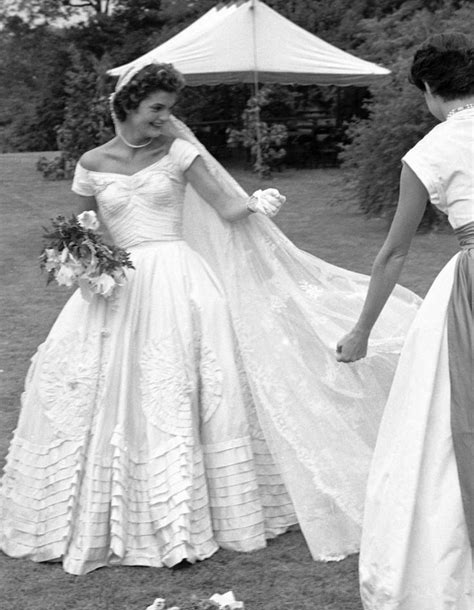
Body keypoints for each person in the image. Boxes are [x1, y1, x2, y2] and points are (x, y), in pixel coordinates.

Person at [0, 62, 420, 576]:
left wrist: (256, 203)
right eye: (157, 108)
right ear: (127, 104)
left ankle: (198, 508)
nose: (165, 119)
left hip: (179, 279)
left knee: (181, 384)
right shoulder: (90, 162)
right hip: (119, 284)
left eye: (170, 110)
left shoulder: (179, 152)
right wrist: (83, 264)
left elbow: (226, 207)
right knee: (99, 385)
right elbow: (85, 229)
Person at [336, 32, 474, 610]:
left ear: (426, 89)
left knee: (442, 446)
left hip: (468, 291)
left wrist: (362, 330)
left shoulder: (429, 151)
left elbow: (394, 252)